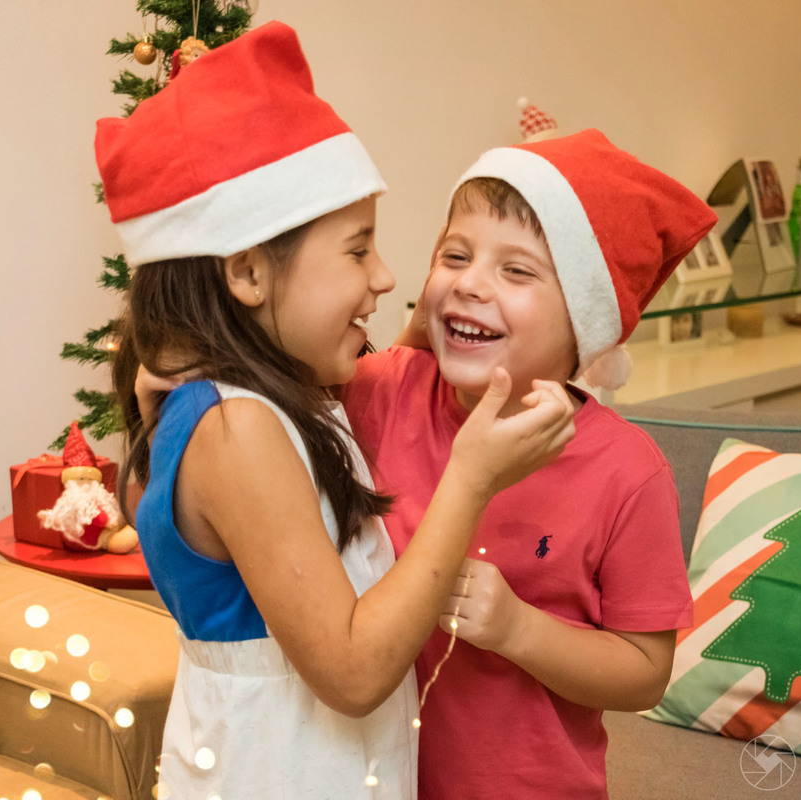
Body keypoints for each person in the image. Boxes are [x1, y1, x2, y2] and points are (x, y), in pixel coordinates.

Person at [98, 22, 575, 800]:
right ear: (248, 272)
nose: (386, 278)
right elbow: (352, 673)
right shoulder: (238, 430)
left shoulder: (276, 398)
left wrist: (457, 299)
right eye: (358, 250)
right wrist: (471, 479)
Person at [339, 130, 712, 797]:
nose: (470, 283)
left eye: (516, 271)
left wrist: (519, 629)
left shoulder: (628, 472)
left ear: (585, 321)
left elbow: (645, 672)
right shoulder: (383, 394)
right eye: (455, 255)